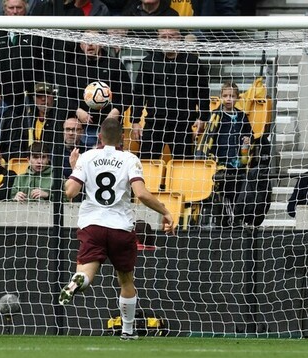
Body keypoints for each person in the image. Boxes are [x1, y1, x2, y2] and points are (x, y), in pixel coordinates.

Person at [59, 118, 175, 341]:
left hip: (92, 225)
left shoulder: (87, 157)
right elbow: (141, 194)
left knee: (86, 272)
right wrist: (165, 211)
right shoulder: (130, 159)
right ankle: (128, 331)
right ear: (122, 137)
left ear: (99, 137)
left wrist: (75, 169)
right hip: (120, 227)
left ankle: (77, 281)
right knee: (126, 280)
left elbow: (70, 192)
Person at [131, 28, 209, 160]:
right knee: (145, 163)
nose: (167, 41)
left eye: (171, 36)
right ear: (158, 38)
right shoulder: (149, 62)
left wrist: (203, 117)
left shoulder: (193, 62)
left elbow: (202, 92)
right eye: (163, 37)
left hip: (182, 124)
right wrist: (135, 120)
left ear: (179, 37)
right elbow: (139, 93)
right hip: (154, 123)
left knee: (183, 166)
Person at [196, 81, 252, 226]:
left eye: (232, 96)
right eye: (225, 96)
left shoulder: (242, 116)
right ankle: (225, 221)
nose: (228, 99)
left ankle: (236, 218)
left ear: (238, 98)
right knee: (223, 193)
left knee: (237, 191)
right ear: (221, 97)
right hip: (221, 162)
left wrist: (248, 139)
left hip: (238, 162)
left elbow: (249, 133)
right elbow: (209, 137)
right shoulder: (216, 115)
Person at [68, 31, 134, 148]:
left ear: (102, 43)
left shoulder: (115, 64)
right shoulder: (74, 66)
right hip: (84, 127)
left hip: (111, 127)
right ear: (81, 46)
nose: (90, 44)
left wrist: (116, 110)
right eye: (86, 42)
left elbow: (127, 93)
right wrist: (77, 110)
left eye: (94, 41)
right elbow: (66, 94)